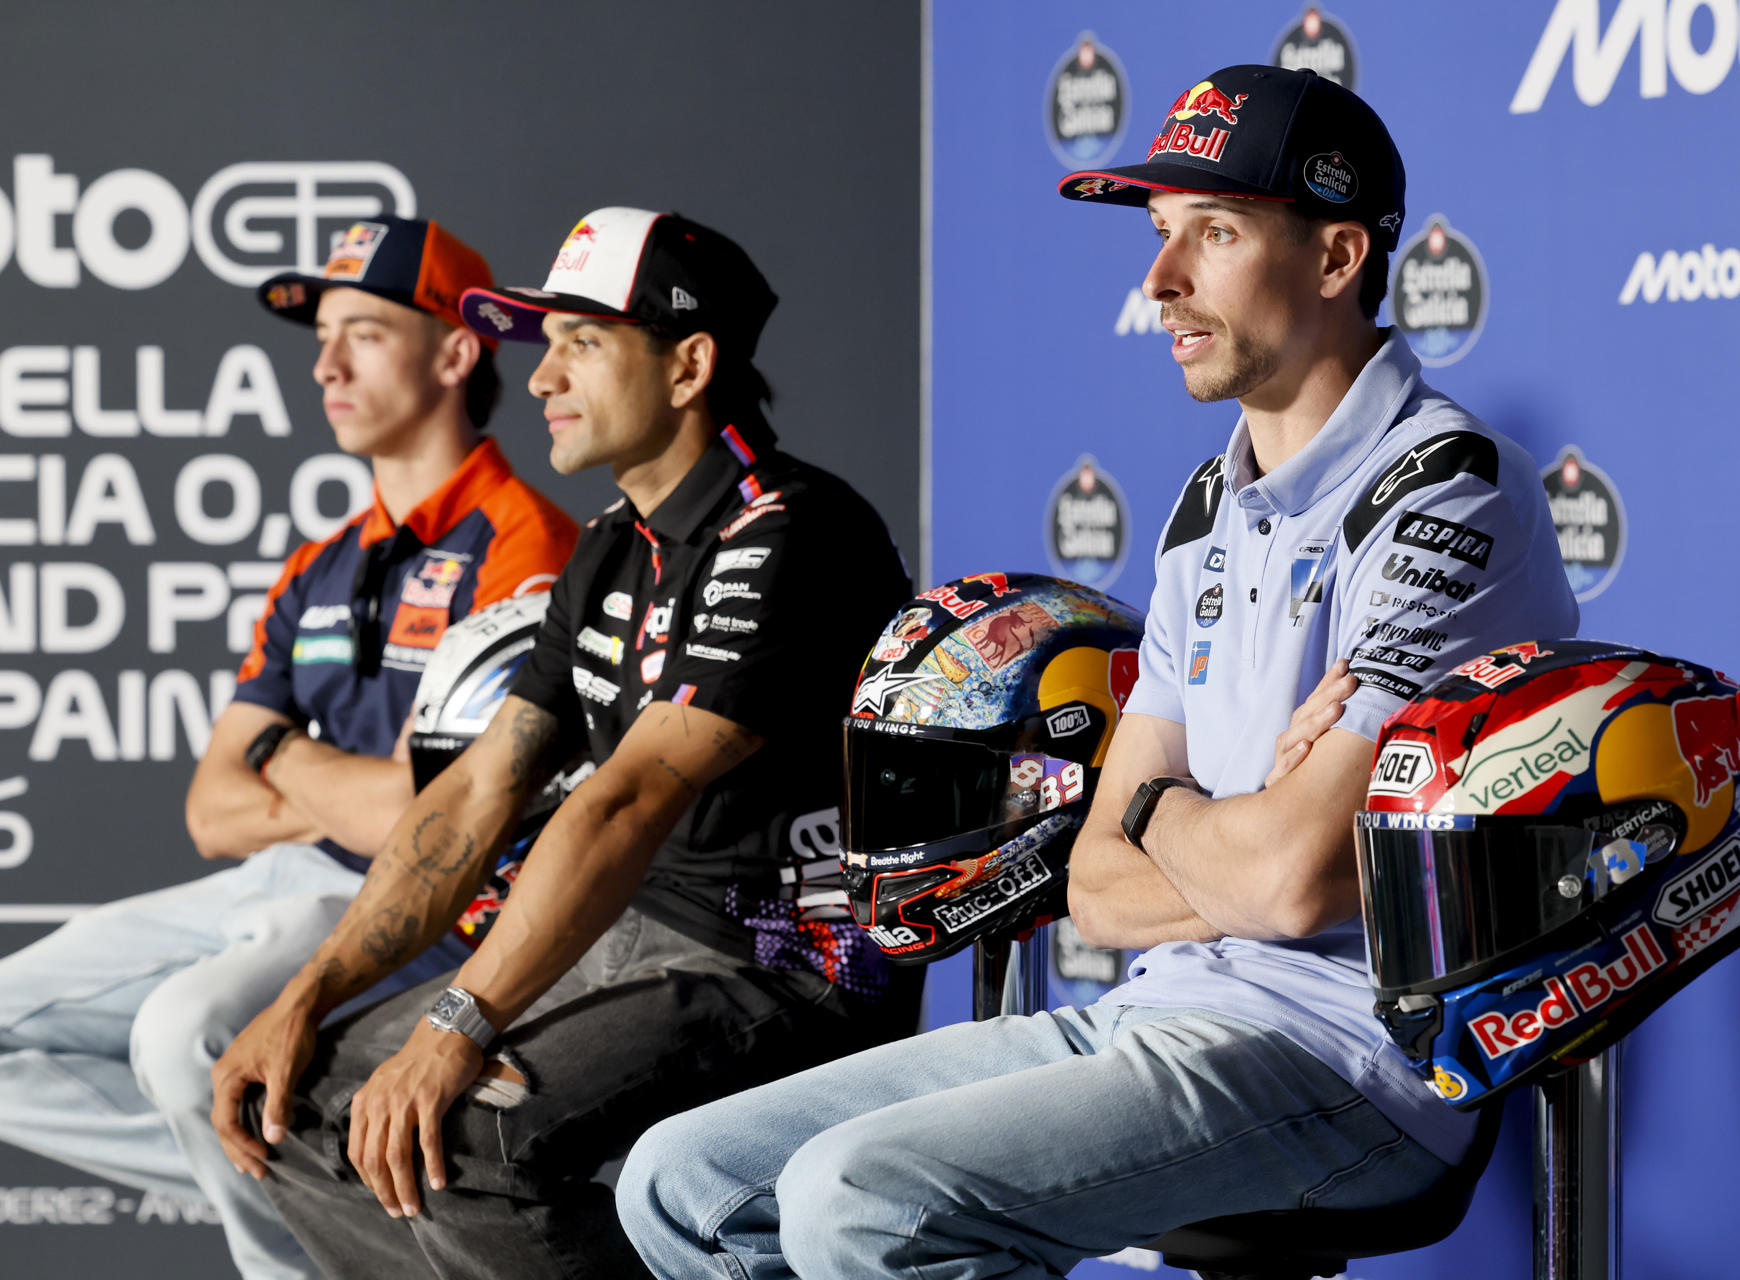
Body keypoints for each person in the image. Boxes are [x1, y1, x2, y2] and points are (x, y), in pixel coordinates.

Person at [618, 64, 1581, 1279]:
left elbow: (1283, 885)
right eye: (1159, 234)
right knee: (684, 1182)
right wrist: (1224, 824)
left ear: (1339, 258)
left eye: (1212, 233)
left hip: (1351, 1057)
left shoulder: (1448, 488)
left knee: (859, 1204)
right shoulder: (1206, 508)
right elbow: (1101, 883)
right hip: (1156, 1010)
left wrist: (1167, 811)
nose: (1159, 281)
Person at [212, 207, 921, 1279]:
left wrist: (458, 1018)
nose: (542, 378)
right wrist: (304, 995)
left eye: (582, 343)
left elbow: (627, 800)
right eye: (545, 346)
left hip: (782, 959)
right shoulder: (607, 546)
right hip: (634, 937)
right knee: (301, 1096)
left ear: (689, 364)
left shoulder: (796, 528)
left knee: (466, 1131)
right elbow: (476, 790)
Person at [0, 215, 579, 1280]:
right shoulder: (321, 561)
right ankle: (325, 1188)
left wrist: (279, 748)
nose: (326, 363)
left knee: (184, 1039)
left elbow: (431, 815)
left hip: (410, 906)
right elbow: (212, 810)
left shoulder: (526, 542)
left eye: (363, 330)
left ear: (456, 352)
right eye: (323, 336)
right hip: (277, 879)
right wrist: (330, 780)